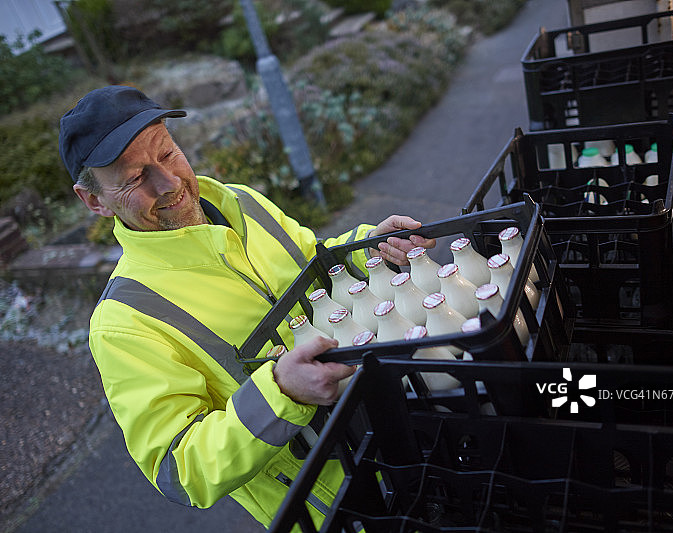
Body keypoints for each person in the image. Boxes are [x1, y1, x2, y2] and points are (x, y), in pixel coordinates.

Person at [58, 85, 435, 529]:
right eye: (136, 178)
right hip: (345, 505)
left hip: (408, 419)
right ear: (94, 201)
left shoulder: (241, 202)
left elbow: (313, 260)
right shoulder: (123, 323)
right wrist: (281, 392)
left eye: (167, 154)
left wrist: (370, 246)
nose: (170, 182)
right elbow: (180, 470)